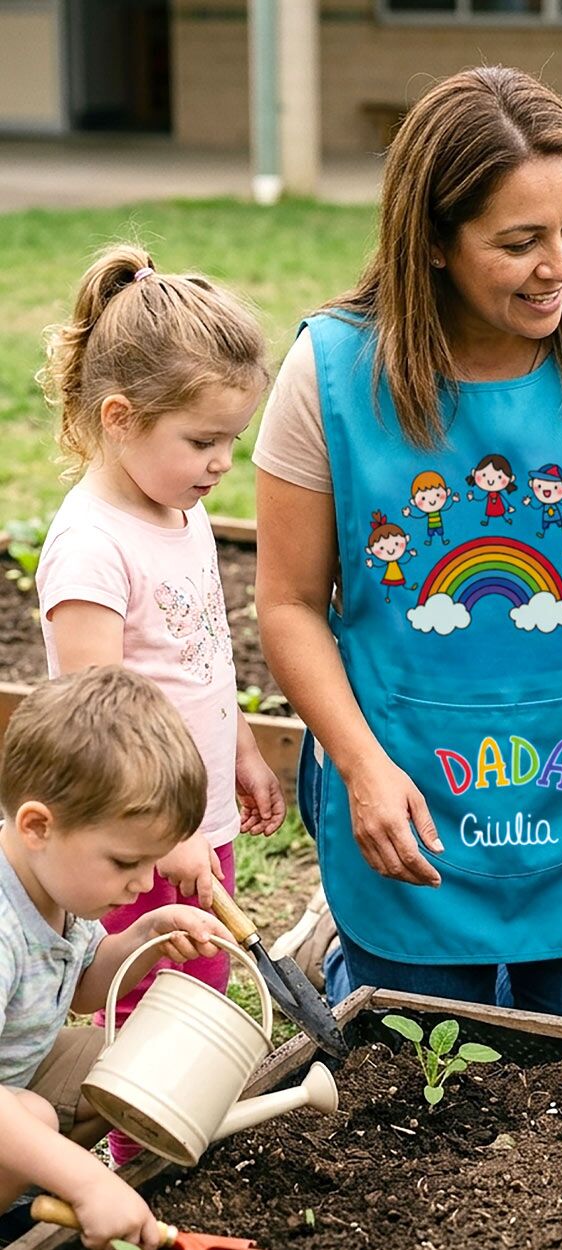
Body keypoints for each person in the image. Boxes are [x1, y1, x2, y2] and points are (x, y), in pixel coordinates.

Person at [253, 65, 562, 1027]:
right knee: (418, 1105)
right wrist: (361, 766)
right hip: (409, 801)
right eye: (519, 243)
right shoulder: (329, 373)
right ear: (431, 242)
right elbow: (289, 604)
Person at [35, 244, 286, 1164]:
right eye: (202, 441)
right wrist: (162, 833)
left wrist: (243, 747)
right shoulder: (90, 547)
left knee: (197, 981)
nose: (221, 464)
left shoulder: (180, 512)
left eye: (232, 442)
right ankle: (123, 1166)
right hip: (133, 834)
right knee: (145, 1006)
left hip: (190, 823)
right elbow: (96, 721)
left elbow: (201, 656)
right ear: (120, 417)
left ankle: (162, 1146)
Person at [0, 666, 232, 1250]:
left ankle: (19, 1195)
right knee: (33, 1117)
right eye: (126, 863)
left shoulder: (54, 880)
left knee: (126, 1068)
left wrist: (147, 934)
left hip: (14, 1085)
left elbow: (80, 987)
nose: (145, 882)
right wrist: (87, 1180)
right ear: (37, 826)